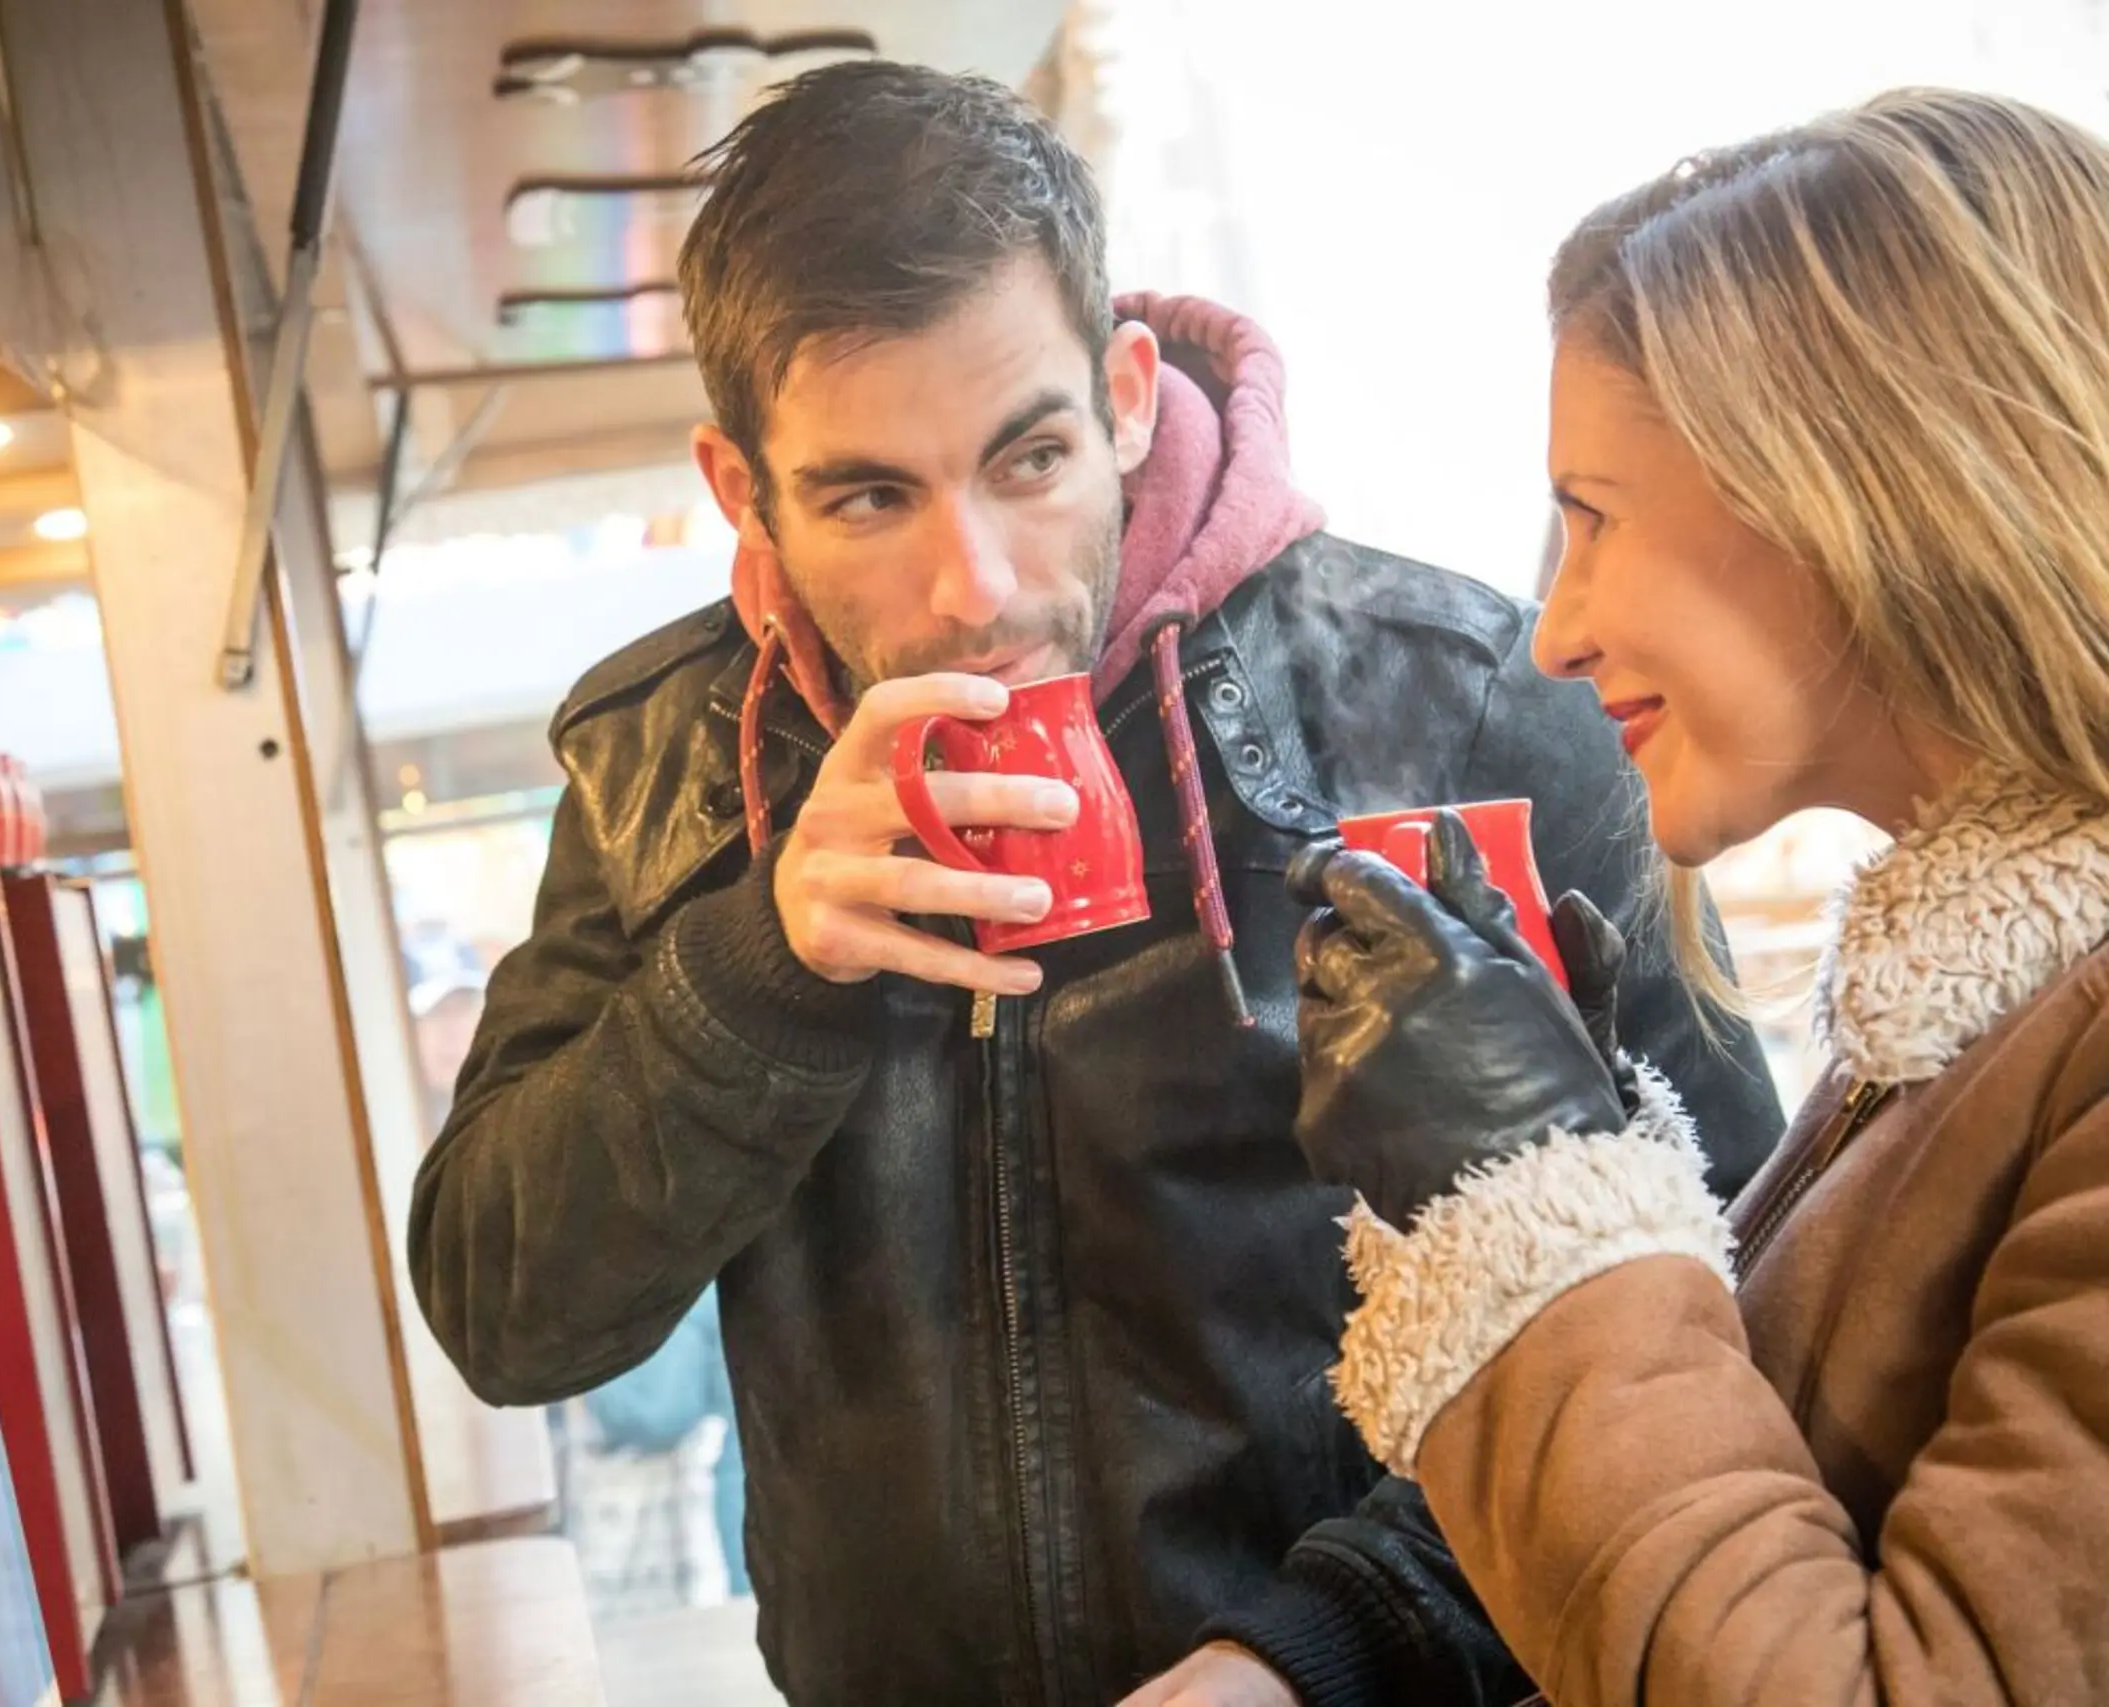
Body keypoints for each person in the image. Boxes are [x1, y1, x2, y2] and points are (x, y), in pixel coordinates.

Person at [408, 60, 1783, 1706]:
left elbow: (1736, 1290)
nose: (974, 585)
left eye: (1030, 458)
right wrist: (757, 967)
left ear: (1126, 391)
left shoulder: (1460, 701)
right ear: (740, 488)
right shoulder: (666, 765)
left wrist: (1320, 1656)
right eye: (867, 496)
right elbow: (507, 1314)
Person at [1287, 87, 2109, 1706]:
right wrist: (1604, 1172)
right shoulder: (1976, 1017)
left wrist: (1538, 1214)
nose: (1554, 631)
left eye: (1590, 516)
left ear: (1852, 487)